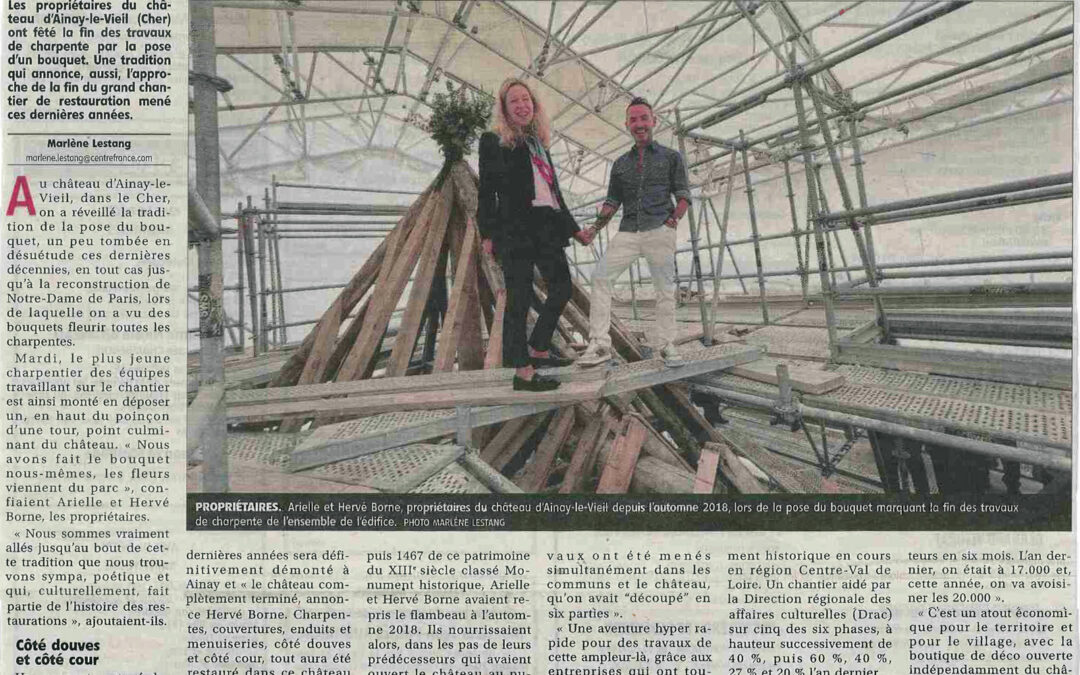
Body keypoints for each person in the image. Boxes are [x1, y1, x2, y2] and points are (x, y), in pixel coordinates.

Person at [477, 78, 591, 391]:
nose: (522, 105)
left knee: (562, 287)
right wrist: (487, 234)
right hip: (515, 228)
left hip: (547, 225)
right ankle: (523, 373)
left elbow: (555, 194)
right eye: (514, 101)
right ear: (504, 109)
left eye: (526, 99)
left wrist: (575, 230)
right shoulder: (493, 140)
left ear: (534, 104)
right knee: (519, 297)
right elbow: (486, 192)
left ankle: (538, 349)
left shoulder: (538, 143)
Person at [578, 97, 692, 368]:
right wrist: (594, 228)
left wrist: (673, 220)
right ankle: (599, 344)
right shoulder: (620, 164)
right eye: (633, 120)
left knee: (664, 289)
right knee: (600, 278)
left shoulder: (671, 157)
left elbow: (684, 196)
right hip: (628, 231)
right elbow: (612, 202)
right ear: (627, 125)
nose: (639, 124)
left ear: (654, 121)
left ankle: (666, 345)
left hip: (659, 228)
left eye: (644, 118)